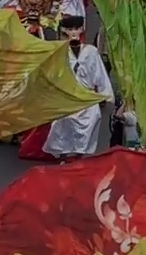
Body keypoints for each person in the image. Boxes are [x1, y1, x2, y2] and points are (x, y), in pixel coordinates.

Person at [45, 17, 113, 159]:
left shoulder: (91, 52)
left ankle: (80, 154)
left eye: (76, 29)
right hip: (66, 95)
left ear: (81, 30)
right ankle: (63, 154)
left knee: (93, 116)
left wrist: (104, 95)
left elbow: (100, 74)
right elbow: (52, 75)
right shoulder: (59, 51)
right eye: (70, 29)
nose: (73, 32)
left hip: (86, 97)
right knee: (61, 123)